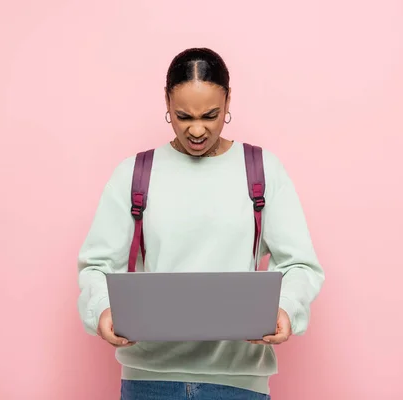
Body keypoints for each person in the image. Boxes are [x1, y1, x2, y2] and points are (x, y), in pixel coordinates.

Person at [77, 47, 325, 400]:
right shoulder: (134, 174)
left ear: (228, 102)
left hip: (238, 383)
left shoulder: (262, 170)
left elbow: (300, 263)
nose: (196, 130)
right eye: (182, 116)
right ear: (166, 102)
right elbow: (96, 265)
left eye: (210, 115)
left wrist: (285, 306)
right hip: (149, 381)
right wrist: (102, 308)